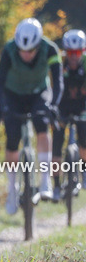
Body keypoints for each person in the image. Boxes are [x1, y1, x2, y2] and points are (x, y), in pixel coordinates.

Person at [0, 18, 63, 213]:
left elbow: (57, 81)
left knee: (43, 122)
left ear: (38, 45)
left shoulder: (50, 50)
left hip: (38, 92)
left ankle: (45, 180)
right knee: (12, 137)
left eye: (31, 51)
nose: (25, 55)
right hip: (13, 94)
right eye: (22, 50)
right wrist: (3, 106)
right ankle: (12, 188)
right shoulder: (8, 50)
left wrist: (54, 105)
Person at [51, 29, 86, 191]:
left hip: (82, 107)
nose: (74, 56)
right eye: (70, 52)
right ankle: (56, 184)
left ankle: (84, 173)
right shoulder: (58, 63)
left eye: (78, 52)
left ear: (83, 51)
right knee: (56, 143)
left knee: (84, 140)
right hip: (62, 106)